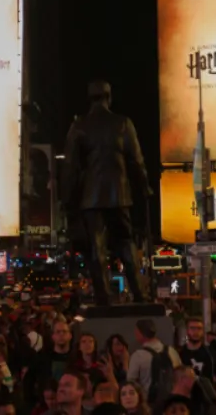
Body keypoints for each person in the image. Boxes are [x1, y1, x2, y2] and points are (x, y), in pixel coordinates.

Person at [61, 80, 151, 304]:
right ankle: (140, 293)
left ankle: (103, 296)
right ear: (109, 98)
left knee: (96, 247)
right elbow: (137, 161)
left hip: (91, 198)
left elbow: (70, 169)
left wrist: (68, 200)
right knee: (125, 243)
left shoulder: (79, 126)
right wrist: (144, 186)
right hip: (119, 195)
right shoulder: (122, 123)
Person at [128, 319, 182, 398]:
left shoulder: (138, 356)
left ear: (139, 333)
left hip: (148, 401)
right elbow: (180, 375)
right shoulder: (171, 351)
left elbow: (131, 382)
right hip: (170, 401)